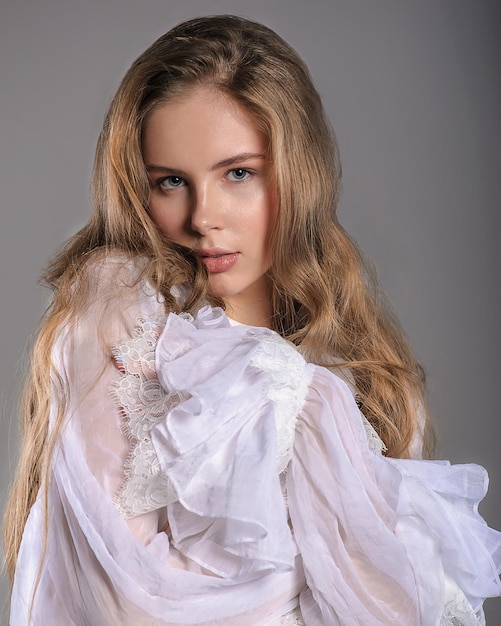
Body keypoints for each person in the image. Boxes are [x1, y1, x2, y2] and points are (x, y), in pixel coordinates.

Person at [3, 14, 501, 626]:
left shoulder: (365, 370)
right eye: (170, 182)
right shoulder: (118, 312)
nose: (202, 216)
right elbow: (123, 600)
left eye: (238, 173)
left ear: (297, 174)